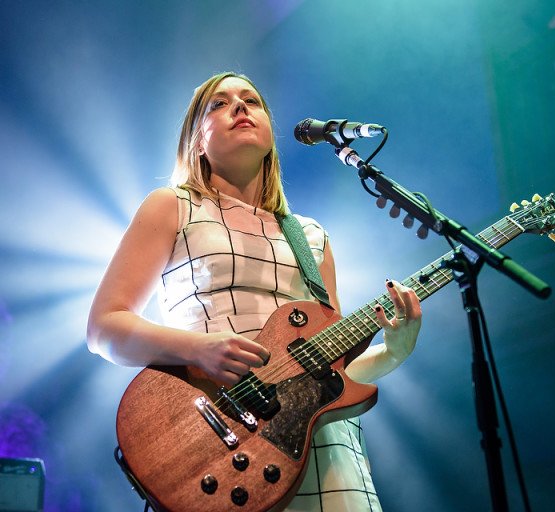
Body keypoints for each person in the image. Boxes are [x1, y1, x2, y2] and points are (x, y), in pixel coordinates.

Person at [87, 71, 422, 511]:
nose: (240, 107)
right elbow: (104, 328)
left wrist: (395, 350)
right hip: (225, 453)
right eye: (219, 104)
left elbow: (339, 372)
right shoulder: (173, 205)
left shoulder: (311, 235)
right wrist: (198, 350)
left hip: (327, 456)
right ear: (197, 141)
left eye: (251, 100)